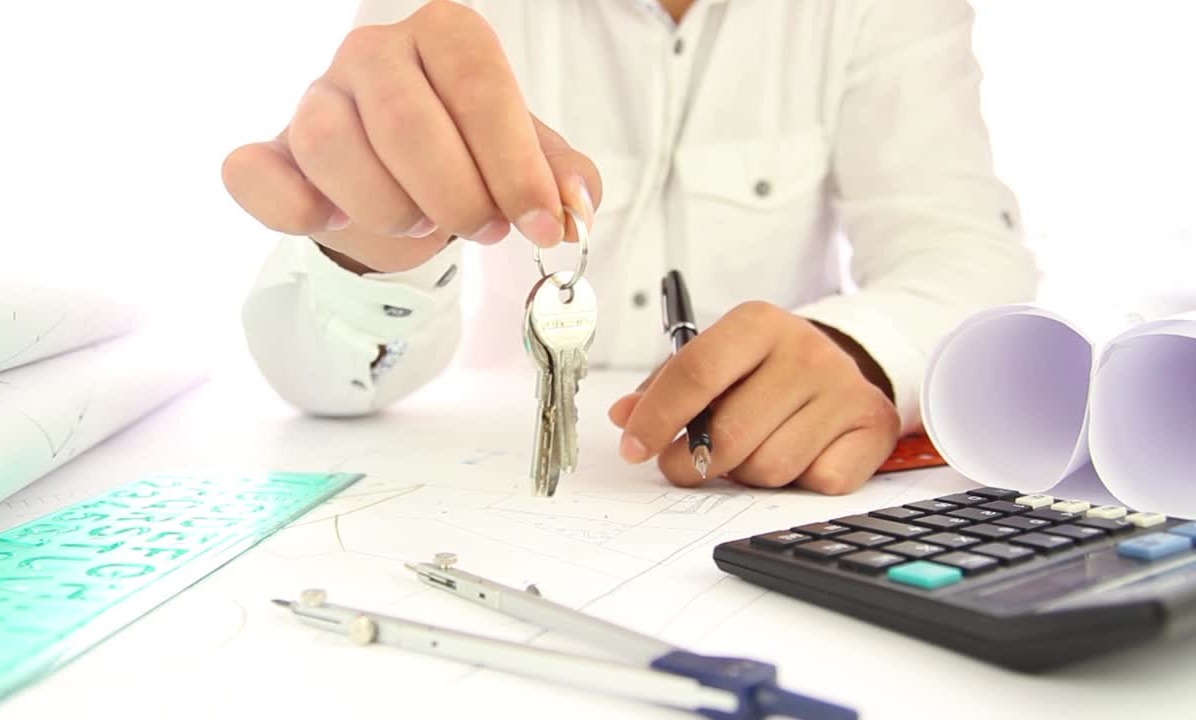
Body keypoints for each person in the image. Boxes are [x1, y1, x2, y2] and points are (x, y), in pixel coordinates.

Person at [222, 0, 1038, 495]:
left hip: (774, 495)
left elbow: (970, 252)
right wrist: (373, 239)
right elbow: (326, 389)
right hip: (486, 477)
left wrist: (858, 349)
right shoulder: (437, 20)